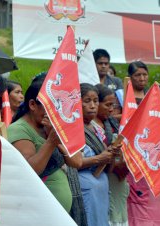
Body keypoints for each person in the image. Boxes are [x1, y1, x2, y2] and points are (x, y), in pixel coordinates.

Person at [8, 74, 82, 213]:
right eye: (51, 107)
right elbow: (31, 171)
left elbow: (77, 162)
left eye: (58, 106)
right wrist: (51, 142)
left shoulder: (50, 128)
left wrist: (56, 139)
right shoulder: (18, 129)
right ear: (32, 105)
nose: (56, 112)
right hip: (37, 209)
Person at [78, 83, 121, 226]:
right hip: (84, 188)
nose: (92, 105)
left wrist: (112, 154)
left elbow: (108, 164)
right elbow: (71, 162)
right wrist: (99, 158)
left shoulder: (98, 129)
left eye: (95, 101)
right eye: (87, 101)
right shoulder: (71, 129)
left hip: (101, 186)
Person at [94, 84, 129, 226]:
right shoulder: (91, 127)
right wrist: (116, 165)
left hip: (118, 181)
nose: (111, 109)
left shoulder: (111, 123)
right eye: (107, 105)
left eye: (113, 105)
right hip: (104, 177)